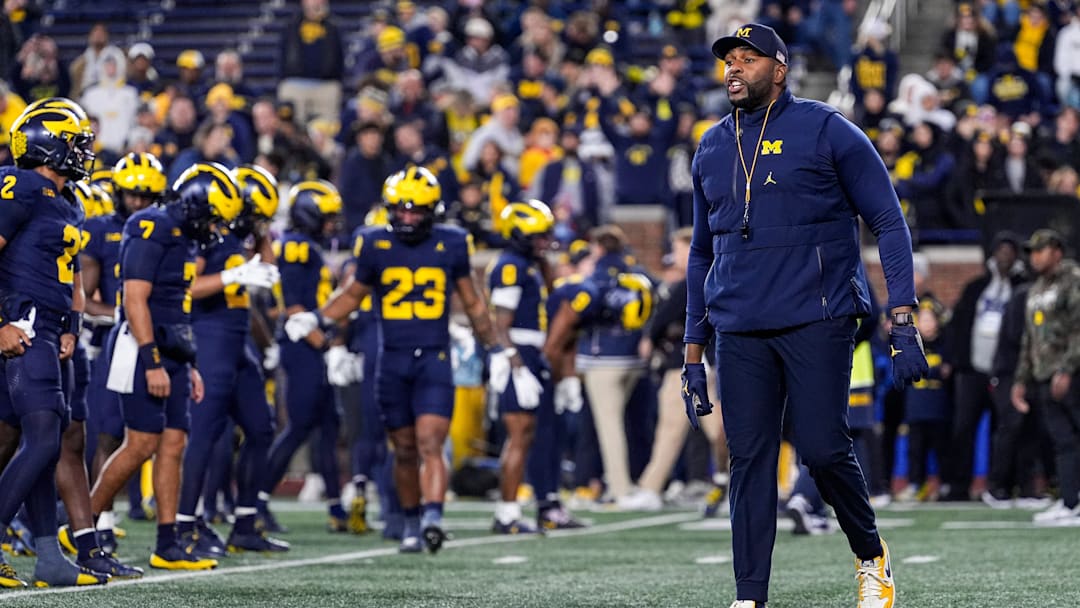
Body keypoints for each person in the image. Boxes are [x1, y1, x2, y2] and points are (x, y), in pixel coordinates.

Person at [683, 24, 927, 608]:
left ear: (780, 68)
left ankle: (871, 556)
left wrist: (903, 317)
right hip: (739, 323)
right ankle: (749, 597)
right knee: (748, 459)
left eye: (749, 59)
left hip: (818, 314)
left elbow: (889, 223)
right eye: (729, 60)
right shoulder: (711, 145)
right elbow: (699, 251)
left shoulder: (827, 129)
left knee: (820, 448)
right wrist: (692, 351)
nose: (734, 69)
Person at [285, 167, 514, 554]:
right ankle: (410, 521)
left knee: (430, 443)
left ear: (434, 211)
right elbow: (353, 293)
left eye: (416, 211)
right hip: (392, 360)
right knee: (404, 450)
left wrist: (496, 349)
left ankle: (433, 519)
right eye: (400, 210)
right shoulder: (374, 243)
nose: (407, 218)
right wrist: (318, 318)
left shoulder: (453, 243)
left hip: (434, 359)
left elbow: (473, 302)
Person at [89, 162, 242, 571]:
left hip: (172, 352)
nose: (215, 229)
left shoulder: (185, 237)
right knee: (139, 444)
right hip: (143, 349)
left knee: (173, 444)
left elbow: (177, 305)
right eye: (212, 218)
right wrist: (152, 360)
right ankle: (83, 529)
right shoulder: (152, 225)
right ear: (195, 205)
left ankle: (168, 542)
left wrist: (186, 364)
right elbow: (134, 300)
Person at [0, 104, 109, 588]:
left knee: (41, 442)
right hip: (19, 325)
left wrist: (72, 322)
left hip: (49, 328)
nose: (83, 151)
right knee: (44, 438)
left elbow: (67, 272)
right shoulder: (19, 186)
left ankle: (47, 555)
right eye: (75, 142)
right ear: (47, 143)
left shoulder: (68, 200)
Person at [176, 165, 286, 554]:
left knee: (260, 429)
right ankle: (185, 525)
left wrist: (259, 233)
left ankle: (244, 523)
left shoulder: (240, 234)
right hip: (209, 339)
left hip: (238, 343)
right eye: (257, 216)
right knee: (203, 435)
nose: (259, 224)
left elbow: (270, 270)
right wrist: (232, 277)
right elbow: (185, 288)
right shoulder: (208, 235)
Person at [83, 153, 167, 552]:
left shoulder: (166, 229)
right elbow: (82, 297)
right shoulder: (101, 230)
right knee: (109, 431)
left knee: (158, 434)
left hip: (159, 338)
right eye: (132, 194)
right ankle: (101, 520)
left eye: (146, 195)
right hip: (118, 343)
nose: (138, 202)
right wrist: (119, 313)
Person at [259, 180, 348, 533]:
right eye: (326, 217)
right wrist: (326, 346)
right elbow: (293, 304)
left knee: (329, 426)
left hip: (314, 344)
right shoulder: (296, 247)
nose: (332, 224)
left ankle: (336, 508)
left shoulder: (307, 245)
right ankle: (256, 501)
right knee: (297, 428)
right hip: (301, 345)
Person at [485, 200, 567, 533]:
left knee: (535, 434)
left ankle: (536, 505)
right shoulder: (510, 265)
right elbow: (499, 323)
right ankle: (506, 514)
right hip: (518, 353)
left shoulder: (529, 264)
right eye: (538, 236)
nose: (545, 242)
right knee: (519, 436)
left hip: (531, 353)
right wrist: (515, 364)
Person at [1011, 229, 1080, 526]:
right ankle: (1070, 501)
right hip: (1044, 374)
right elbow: (1030, 338)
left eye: (1041, 250)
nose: (1035, 256)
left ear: (1057, 251)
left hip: (1072, 373)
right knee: (1062, 440)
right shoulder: (1036, 287)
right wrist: (1020, 380)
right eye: (1032, 251)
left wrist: (1067, 368)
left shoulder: (1073, 279)